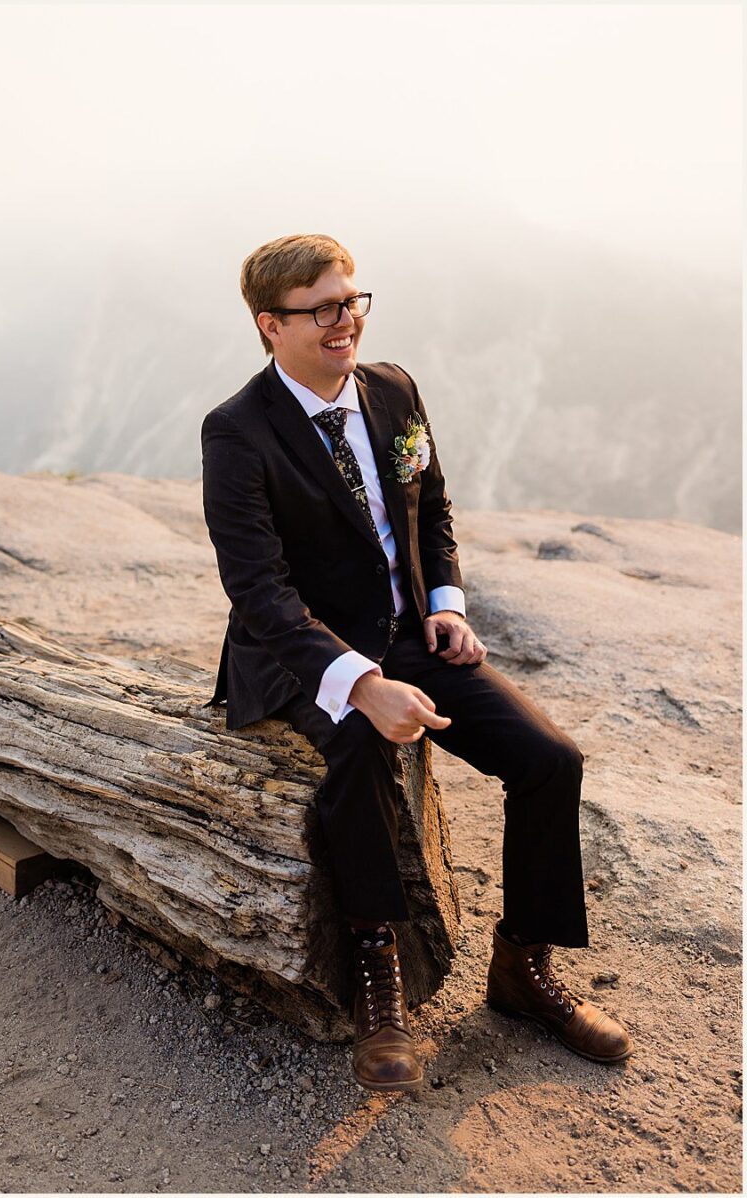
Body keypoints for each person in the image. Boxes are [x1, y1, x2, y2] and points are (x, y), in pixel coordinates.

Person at [199, 233, 631, 1092]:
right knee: (362, 749)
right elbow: (260, 592)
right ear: (268, 325)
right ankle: (378, 979)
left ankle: (523, 971)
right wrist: (360, 683)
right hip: (300, 656)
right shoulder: (237, 432)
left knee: (551, 762)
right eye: (320, 307)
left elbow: (431, 511)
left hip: (409, 636)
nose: (343, 321)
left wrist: (445, 608)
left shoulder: (394, 391)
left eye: (352, 300)